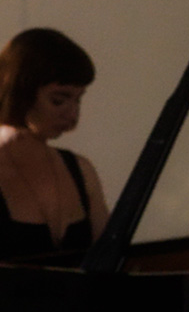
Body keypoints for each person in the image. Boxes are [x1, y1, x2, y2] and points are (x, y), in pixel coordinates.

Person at [0, 28, 109, 261]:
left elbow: (108, 258)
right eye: (58, 100)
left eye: (78, 99)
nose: (73, 114)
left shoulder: (81, 170)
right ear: (20, 93)